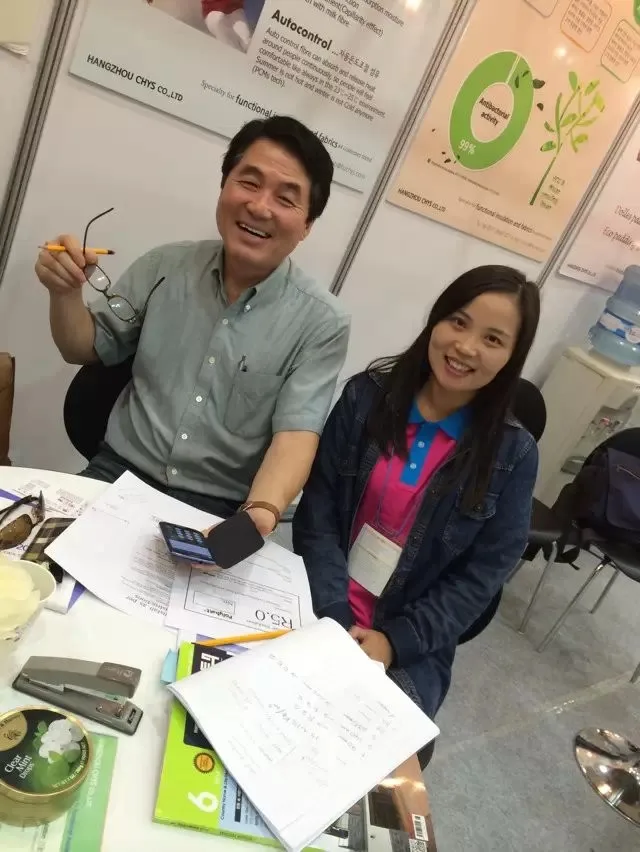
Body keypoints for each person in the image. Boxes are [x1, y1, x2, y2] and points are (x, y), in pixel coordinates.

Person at [36, 115, 350, 536]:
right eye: (249, 182)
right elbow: (82, 348)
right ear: (224, 186)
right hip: (116, 476)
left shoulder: (322, 322)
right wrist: (64, 293)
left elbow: (295, 436)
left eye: (286, 198)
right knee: (33, 566)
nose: (260, 207)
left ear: (307, 224)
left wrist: (256, 518)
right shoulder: (165, 266)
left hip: (217, 509)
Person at [292, 266, 540, 766]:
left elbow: (481, 579)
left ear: (512, 356)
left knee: (359, 762)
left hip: (412, 640)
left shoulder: (514, 454)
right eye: (458, 322)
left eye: (492, 339)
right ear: (436, 320)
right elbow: (318, 513)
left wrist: (393, 642)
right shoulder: (365, 398)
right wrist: (335, 613)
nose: (466, 347)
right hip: (319, 597)